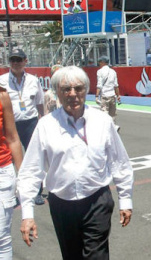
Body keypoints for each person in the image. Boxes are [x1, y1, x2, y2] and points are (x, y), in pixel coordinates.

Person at [17, 66, 133, 259]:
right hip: (62, 204)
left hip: (96, 200)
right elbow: (31, 171)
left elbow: (119, 162)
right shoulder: (46, 125)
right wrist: (27, 214)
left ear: (86, 90)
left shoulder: (102, 121)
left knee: (96, 256)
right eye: (66, 89)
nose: (73, 94)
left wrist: (126, 200)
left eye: (78, 88)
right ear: (57, 93)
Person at [0, 49, 45, 205]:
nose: (16, 63)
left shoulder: (34, 80)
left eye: (19, 60)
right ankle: (11, 192)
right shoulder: (2, 81)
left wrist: (43, 121)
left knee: (34, 158)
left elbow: (39, 102)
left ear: (25, 61)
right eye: (13, 60)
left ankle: (37, 191)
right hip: (10, 125)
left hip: (30, 123)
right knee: (10, 159)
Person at [0, 68, 23, 259]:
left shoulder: (2, 96)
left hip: (2, 172)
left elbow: (13, 138)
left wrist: (22, 175)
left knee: (1, 238)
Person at [95, 56, 121, 126]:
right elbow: (116, 85)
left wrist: (97, 96)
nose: (99, 64)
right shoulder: (113, 71)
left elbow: (99, 85)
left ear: (102, 62)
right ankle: (113, 128)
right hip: (112, 95)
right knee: (112, 114)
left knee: (104, 113)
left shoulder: (100, 72)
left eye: (100, 62)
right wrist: (118, 95)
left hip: (104, 95)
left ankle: (106, 128)